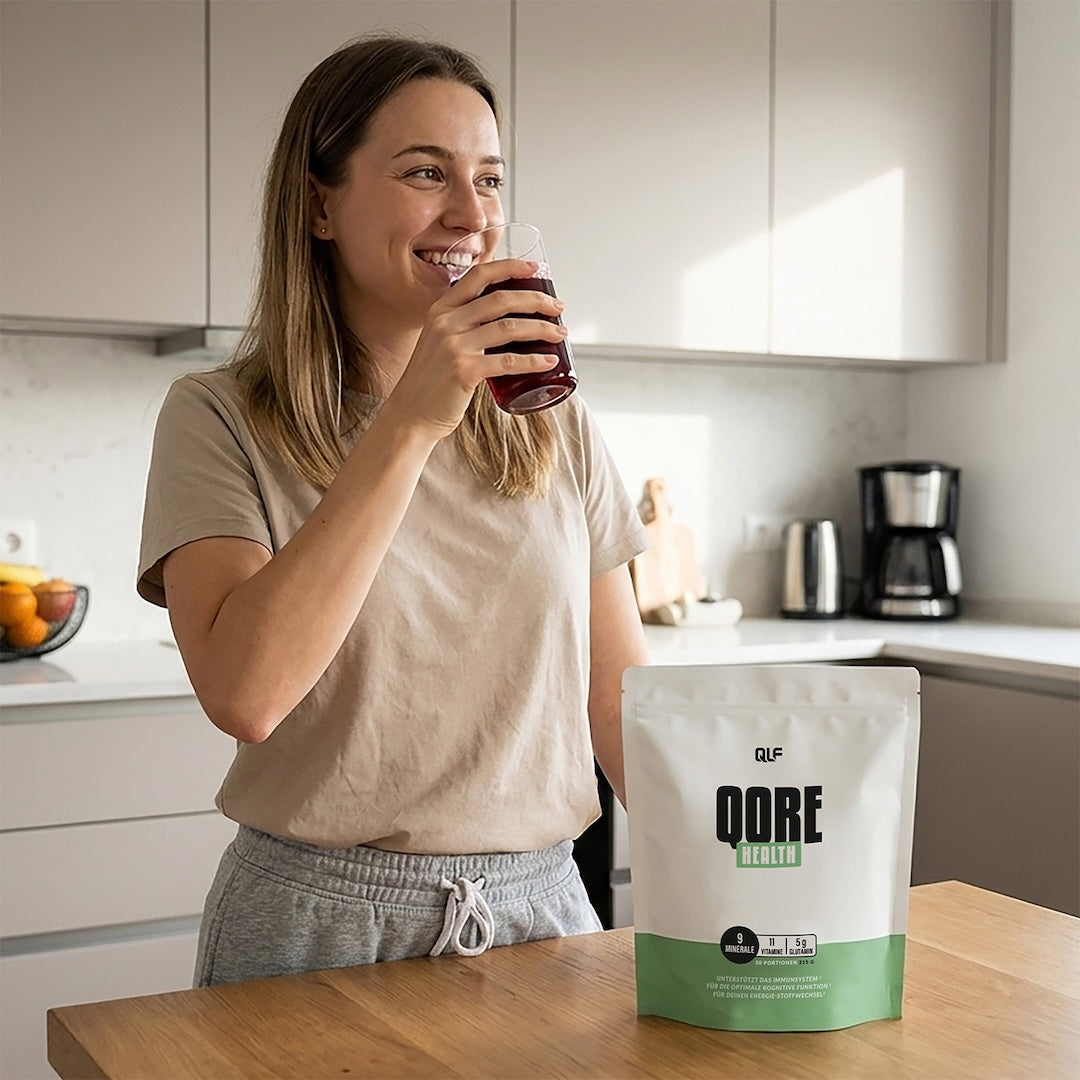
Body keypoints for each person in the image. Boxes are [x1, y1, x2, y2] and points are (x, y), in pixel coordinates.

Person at [137, 34, 649, 987]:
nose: (470, 214)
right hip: (312, 930)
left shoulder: (553, 421)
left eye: (490, 181)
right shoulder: (217, 418)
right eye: (426, 172)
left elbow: (623, 710)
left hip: (543, 918)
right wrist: (412, 420)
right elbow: (246, 695)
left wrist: (749, 888)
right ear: (319, 203)